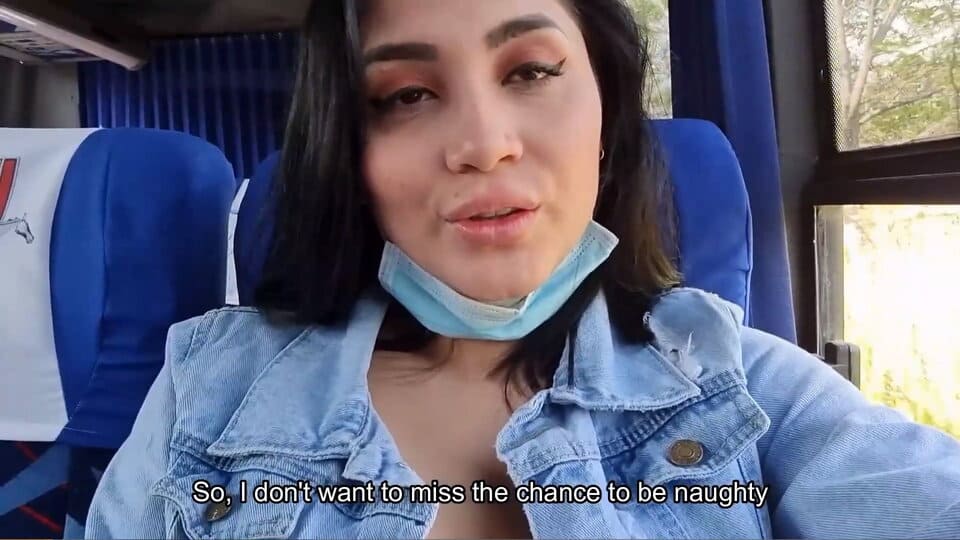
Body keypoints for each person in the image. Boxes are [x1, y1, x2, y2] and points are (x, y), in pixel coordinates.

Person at [85, 0, 960, 538]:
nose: (483, 143)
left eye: (532, 71)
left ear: (607, 120)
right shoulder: (209, 389)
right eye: (406, 96)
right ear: (349, 155)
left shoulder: (748, 390)